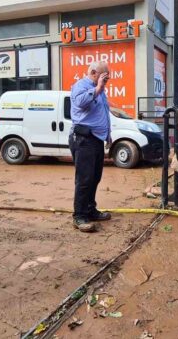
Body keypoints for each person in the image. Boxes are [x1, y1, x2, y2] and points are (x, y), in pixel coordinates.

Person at [69, 61, 113, 233]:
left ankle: (90, 210)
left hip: (96, 140)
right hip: (83, 140)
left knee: (95, 177)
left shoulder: (100, 90)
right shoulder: (80, 86)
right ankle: (79, 216)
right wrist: (98, 89)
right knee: (84, 179)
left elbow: (104, 112)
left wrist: (108, 135)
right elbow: (80, 103)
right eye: (104, 77)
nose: (106, 81)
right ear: (94, 72)